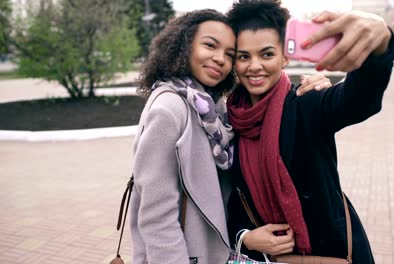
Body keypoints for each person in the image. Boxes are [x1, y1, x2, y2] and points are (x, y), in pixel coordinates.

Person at [129, 7, 332, 264]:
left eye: (229, 54)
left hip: (217, 253)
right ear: (184, 45)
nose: (220, 59)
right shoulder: (169, 110)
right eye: (210, 46)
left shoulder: (217, 110)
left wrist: (319, 86)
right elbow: (156, 218)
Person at [225, 0, 394, 263]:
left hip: (330, 253)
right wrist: (245, 236)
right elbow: (229, 199)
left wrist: (380, 42)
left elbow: (359, 99)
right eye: (244, 56)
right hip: (264, 258)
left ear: (285, 57)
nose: (254, 66)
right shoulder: (229, 122)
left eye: (267, 54)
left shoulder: (307, 103)